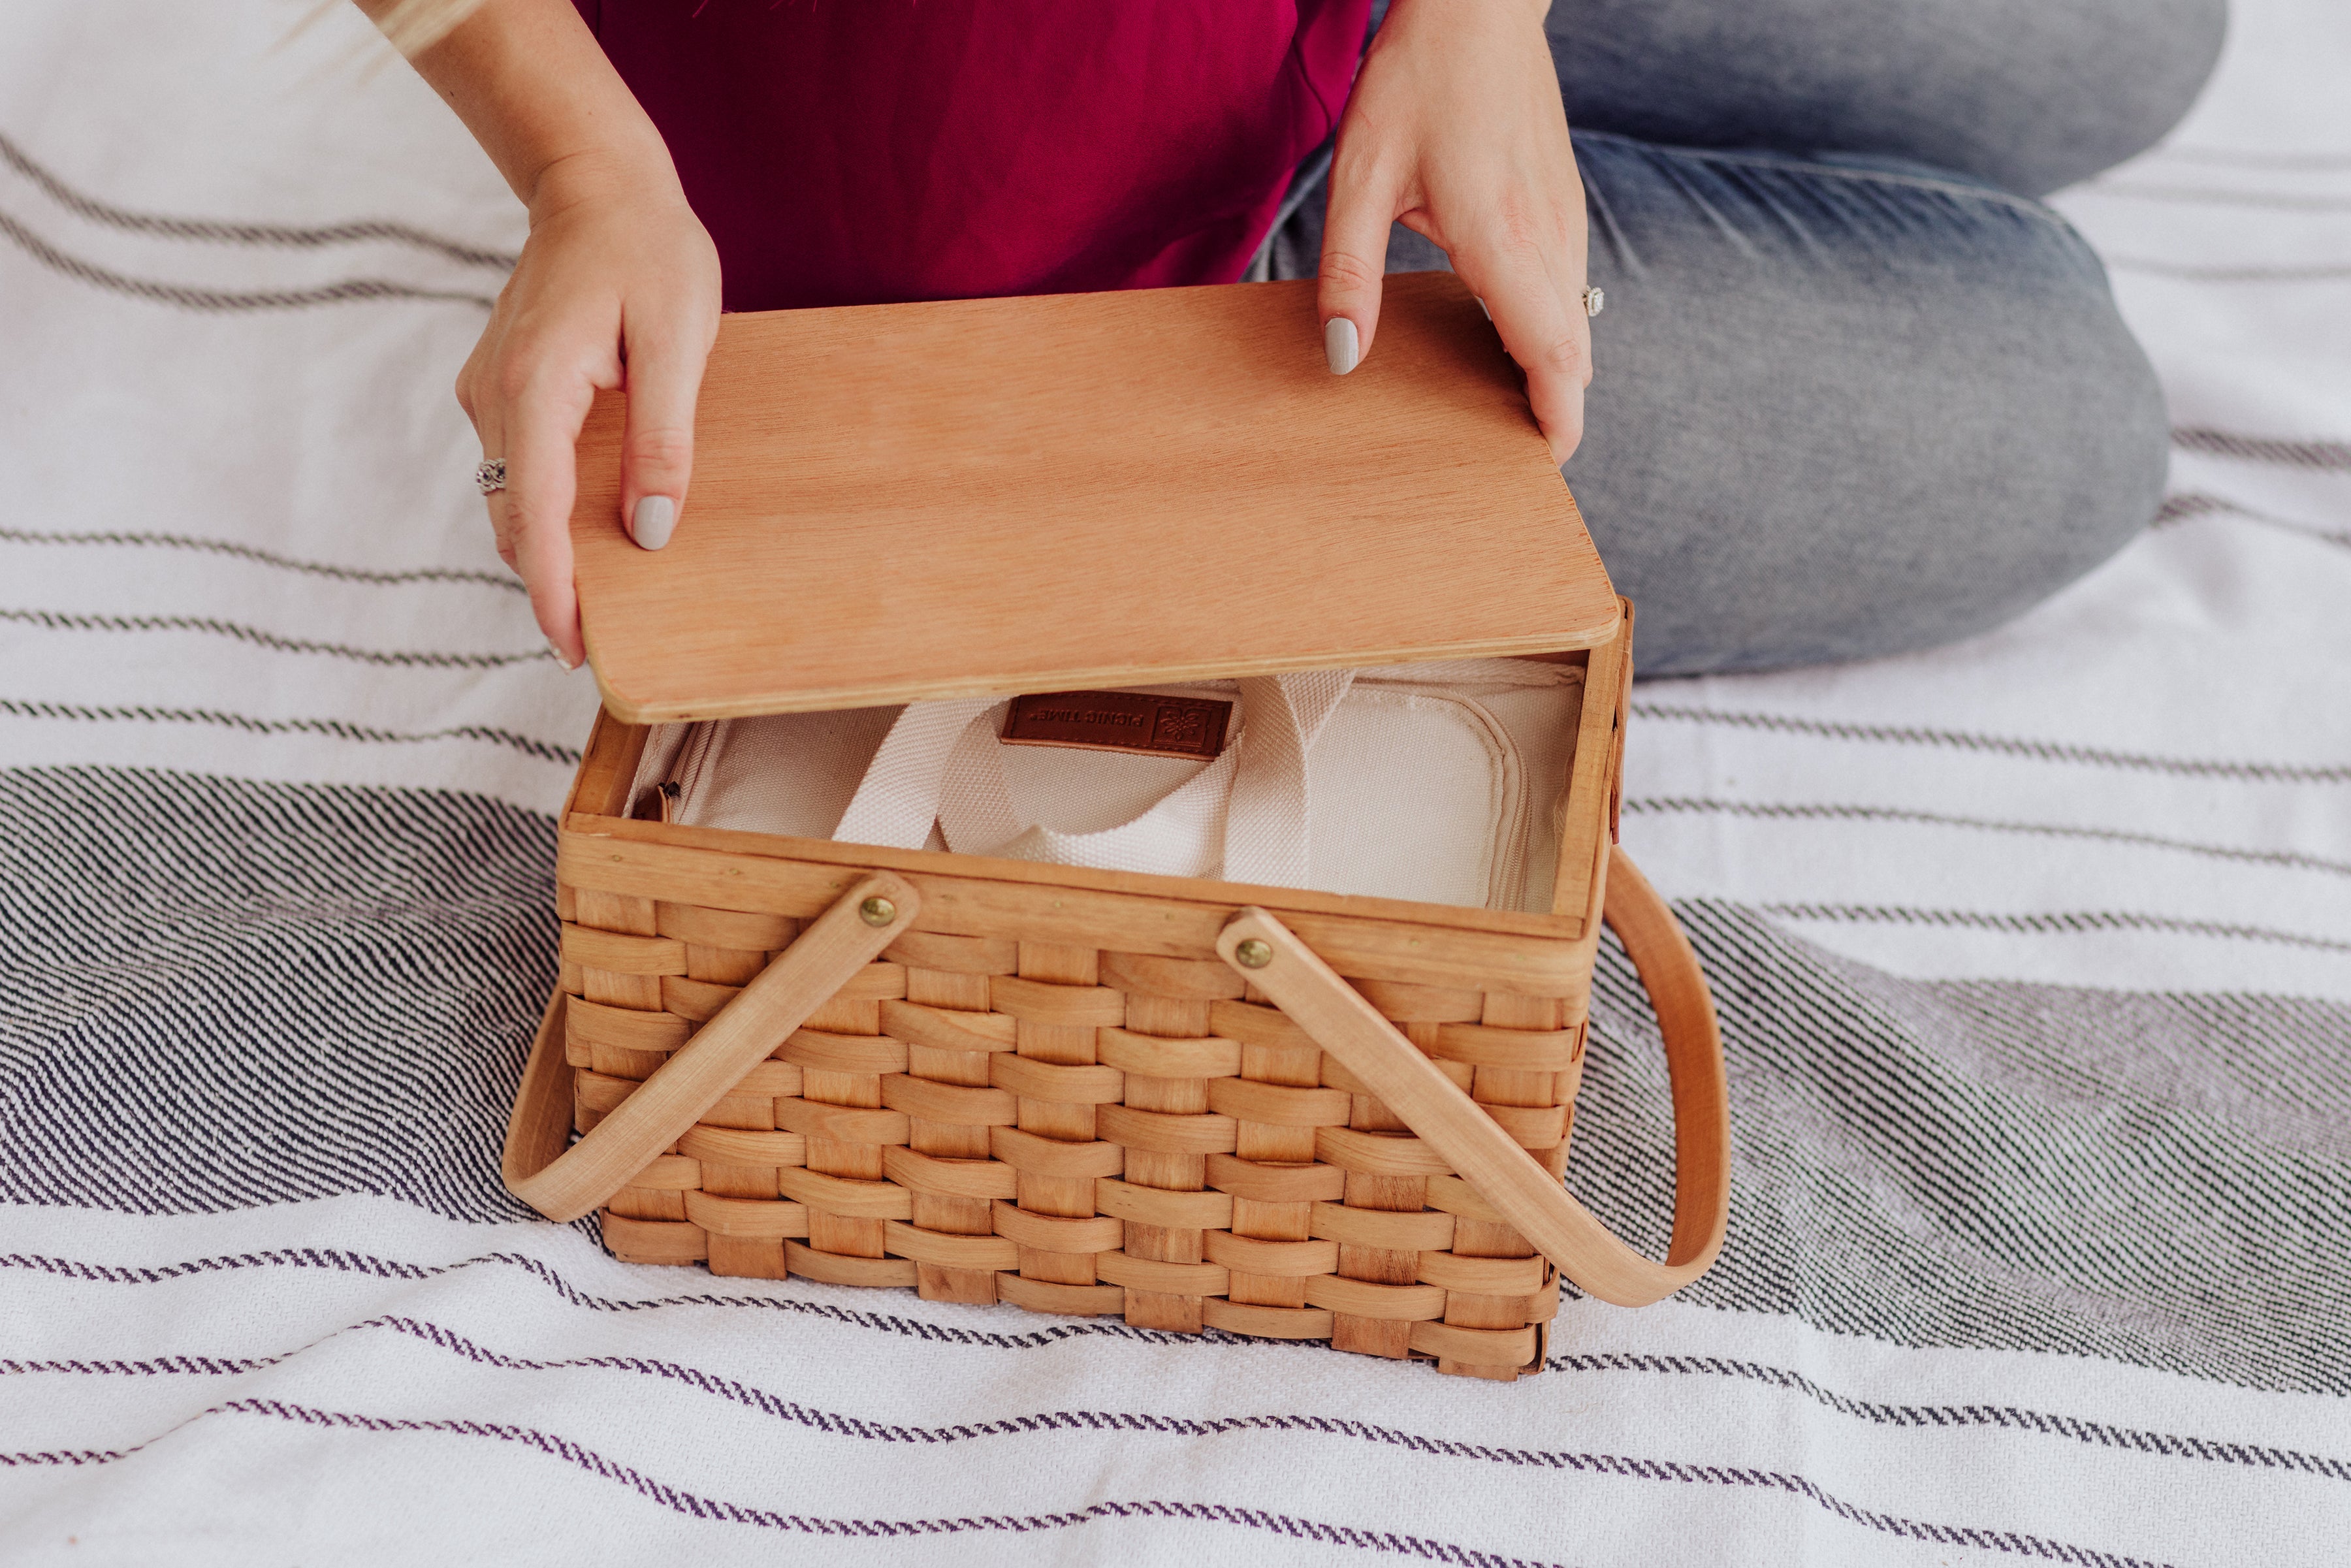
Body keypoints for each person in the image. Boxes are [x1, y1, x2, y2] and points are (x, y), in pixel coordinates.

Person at [366, 0, 2224, 677]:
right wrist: (586, 158)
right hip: (1026, 244)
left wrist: (1484, 18)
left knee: (2138, 28)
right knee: (2068, 407)